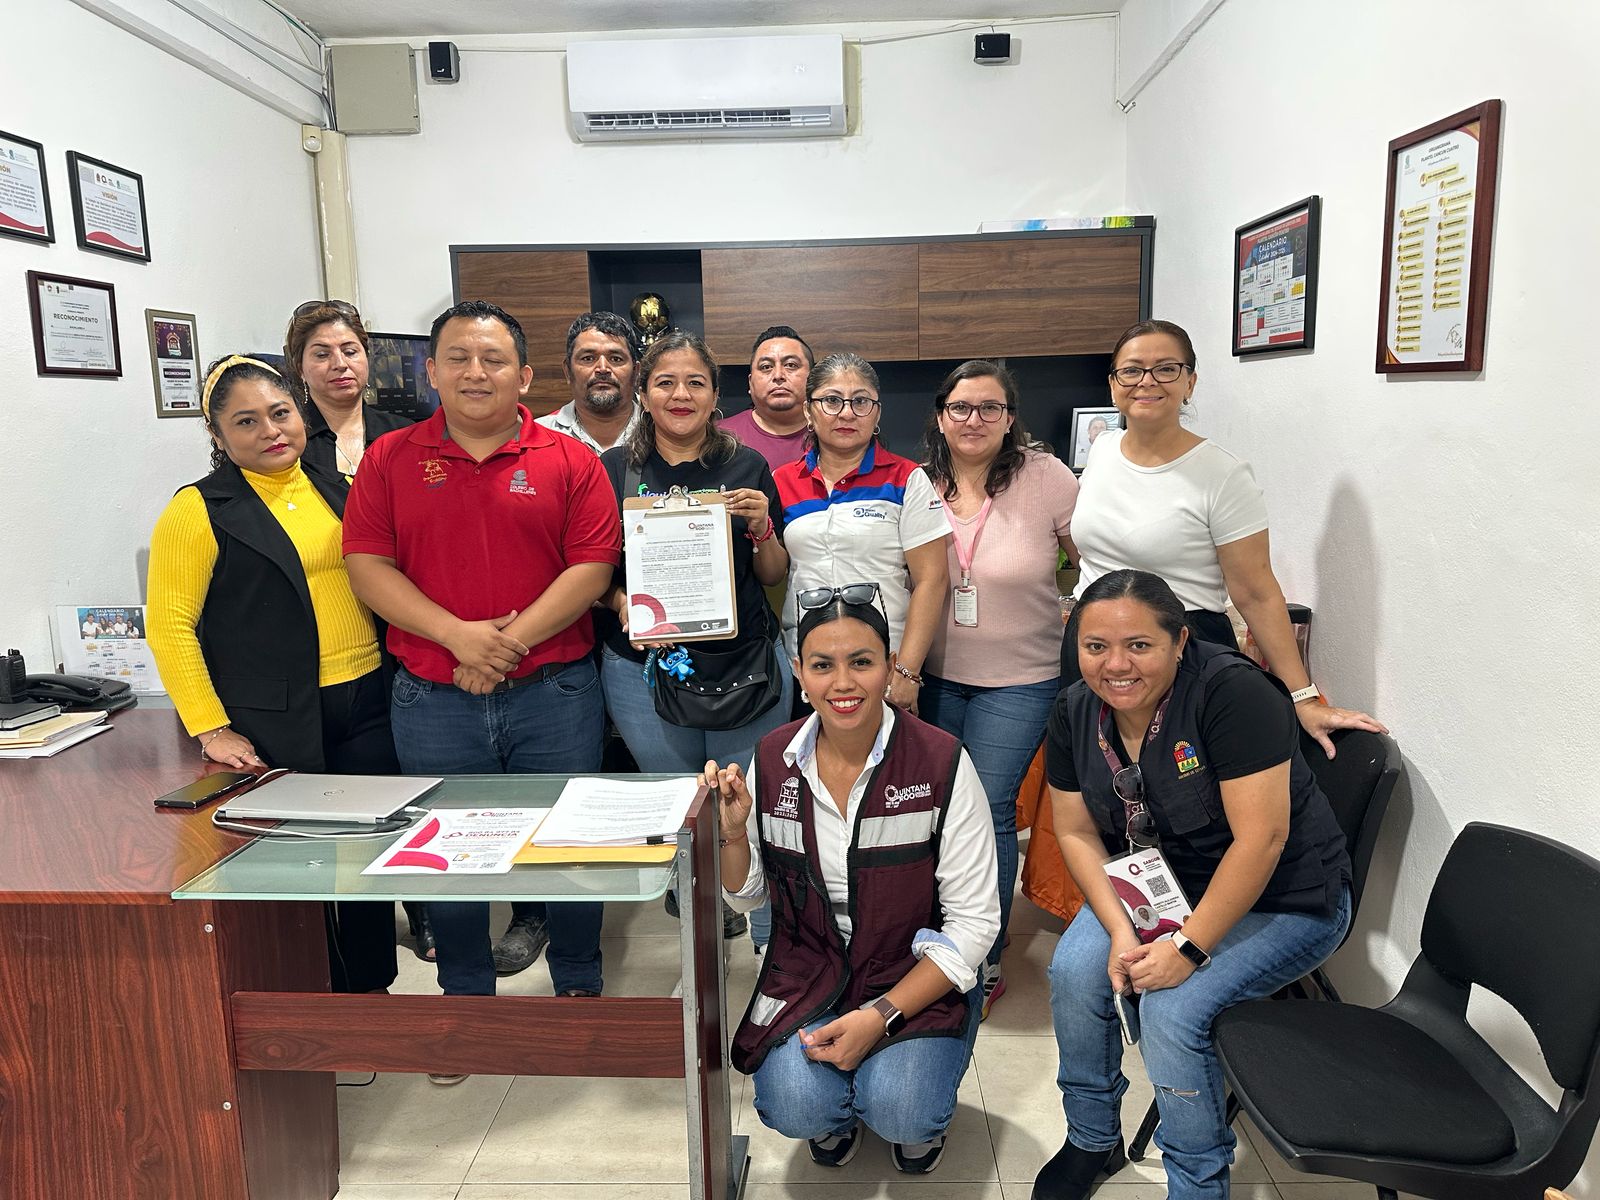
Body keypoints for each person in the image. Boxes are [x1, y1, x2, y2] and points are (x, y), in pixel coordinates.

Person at [343, 301, 620, 1053]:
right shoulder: (388, 459)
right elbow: (367, 565)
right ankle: (465, 1007)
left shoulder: (571, 461)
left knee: (570, 848)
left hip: (555, 693)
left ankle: (578, 987)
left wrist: (505, 644)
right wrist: (457, 637)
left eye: (493, 359)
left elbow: (591, 568)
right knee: (449, 857)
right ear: (431, 371)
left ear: (523, 376)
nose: (476, 372)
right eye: (458, 358)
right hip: (433, 697)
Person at [1037, 569, 1353, 1200]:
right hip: (1163, 890)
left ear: (1180, 641)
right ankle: (1092, 1138)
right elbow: (1073, 830)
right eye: (1096, 646)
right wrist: (1120, 929)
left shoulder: (1231, 694)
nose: (1115, 665)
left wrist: (1187, 947)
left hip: (1283, 898)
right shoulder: (1074, 708)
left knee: (1172, 1009)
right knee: (1073, 971)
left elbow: (1262, 840)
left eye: (1139, 645)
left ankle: (1198, 1183)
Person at [706, 587, 998, 1175]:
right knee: (793, 1105)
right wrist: (733, 836)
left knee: (902, 1109)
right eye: (823, 665)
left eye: (861, 662)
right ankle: (836, 1114)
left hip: (907, 974)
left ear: (890, 667)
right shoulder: (773, 758)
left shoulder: (940, 760)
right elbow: (749, 895)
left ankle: (905, 1110)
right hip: (810, 971)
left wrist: (880, 1016)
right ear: (799, 673)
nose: (843, 683)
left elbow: (975, 923)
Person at [147, 355, 399, 996]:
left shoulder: (334, 485)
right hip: (276, 720)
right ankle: (308, 1003)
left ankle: (371, 993)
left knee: (368, 854)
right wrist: (210, 728)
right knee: (300, 868)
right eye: (246, 421)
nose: (270, 431)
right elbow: (170, 625)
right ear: (217, 433)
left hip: (367, 699)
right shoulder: (199, 509)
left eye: (280, 413)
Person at [1065, 319, 1384, 756]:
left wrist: (1303, 697)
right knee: (1097, 777)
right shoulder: (1102, 451)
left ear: (1190, 383)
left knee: (1182, 787)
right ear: (1113, 384)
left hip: (1182, 649)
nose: (1147, 381)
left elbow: (1256, 592)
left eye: (1166, 369)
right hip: (1096, 646)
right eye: (1132, 370)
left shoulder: (1223, 475)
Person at [596, 330, 794, 944]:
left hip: (745, 665)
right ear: (643, 394)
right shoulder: (612, 470)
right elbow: (590, 573)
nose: (680, 394)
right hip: (645, 671)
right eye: (665, 382)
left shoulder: (746, 466)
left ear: (714, 396)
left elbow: (772, 574)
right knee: (680, 813)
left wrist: (762, 527)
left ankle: (768, 944)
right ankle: (698, 944)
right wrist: (622, 604)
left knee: (747, 808)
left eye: (695, 383)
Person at [919, 359, 1079, 1018]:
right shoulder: (921, 483)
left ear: (1011, 418)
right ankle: (945, 934)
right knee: (935, 811)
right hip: (933, 678)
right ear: (940, 416)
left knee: (985, 811)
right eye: (961, 407)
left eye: (990, 407)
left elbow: (1094, 559)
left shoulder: (1047, 478)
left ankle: (980, 958)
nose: (974, 419)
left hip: (1021, 680)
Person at [772, 352, 949, 712]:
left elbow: (932, 580)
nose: (847, 413)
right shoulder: (783, 480)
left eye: (861, 401)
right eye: (831, 401)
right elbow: (774, 570)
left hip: (883, 664)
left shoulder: (906, 478)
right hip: (808, 664)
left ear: (877, 413)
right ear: (808, 411)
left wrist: (907, 672)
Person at [282, 300, 412, 480]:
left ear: (367, 358)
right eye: (322, 355)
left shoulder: (405, 434)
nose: (340, 364)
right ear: (300, 369)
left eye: (350, 352)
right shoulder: (287, 441)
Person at [536, 311, 642, 453]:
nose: (602, 369)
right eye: (588, 358)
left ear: (635, 371)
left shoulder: (661, 430)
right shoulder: (539, 436)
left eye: (616, 359)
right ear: (568, 371)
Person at [720, 326, 814, 469]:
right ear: (750, 382)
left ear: (813, 378)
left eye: (791, 365)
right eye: (766, 367)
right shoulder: (718, 436)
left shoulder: (837, 434)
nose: (778, 375)